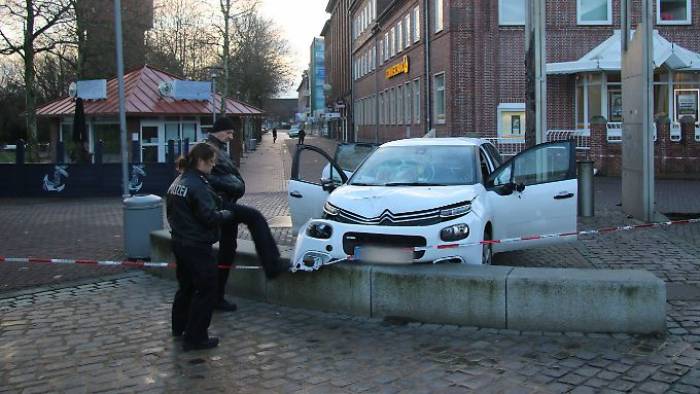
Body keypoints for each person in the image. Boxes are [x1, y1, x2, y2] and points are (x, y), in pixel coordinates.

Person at [206, 117, 287, 312]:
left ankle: (217, 297)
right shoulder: (209, 150)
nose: (231, 136)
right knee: (255, 217)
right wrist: (231, 184)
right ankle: (271, 263)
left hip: (224, 202)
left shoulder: (217, 148)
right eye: (229, 133)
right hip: (219, 204)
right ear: (220, 131)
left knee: (228, 248)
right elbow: (205, 176)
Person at [167, 142, 234, 351]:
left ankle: (179, 326)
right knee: (206, 289)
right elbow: (209, 216)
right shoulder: (198, 185)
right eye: (211, 162)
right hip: (197, 245)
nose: (213, 166)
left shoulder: (179, 181)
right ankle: (196, 337)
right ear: (202, 161)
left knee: (185, 286)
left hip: (179, 241)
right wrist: (226, 214)